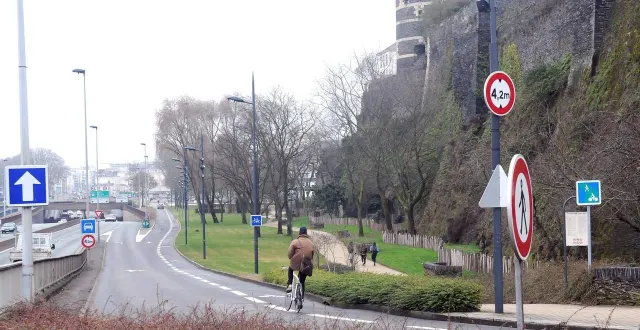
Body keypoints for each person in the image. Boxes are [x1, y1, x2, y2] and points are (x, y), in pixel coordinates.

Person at [286, 226, 314, 299]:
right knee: (302, 281)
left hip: (296, 262)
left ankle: (290, 284)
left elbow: (289, 254)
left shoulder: (295, 241)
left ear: (299, 233)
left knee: (290, 269)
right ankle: (301, 298)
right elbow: (312, 255)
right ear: (306, 233)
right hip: (306, 264)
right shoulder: (311, 243)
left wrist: (291, 257)